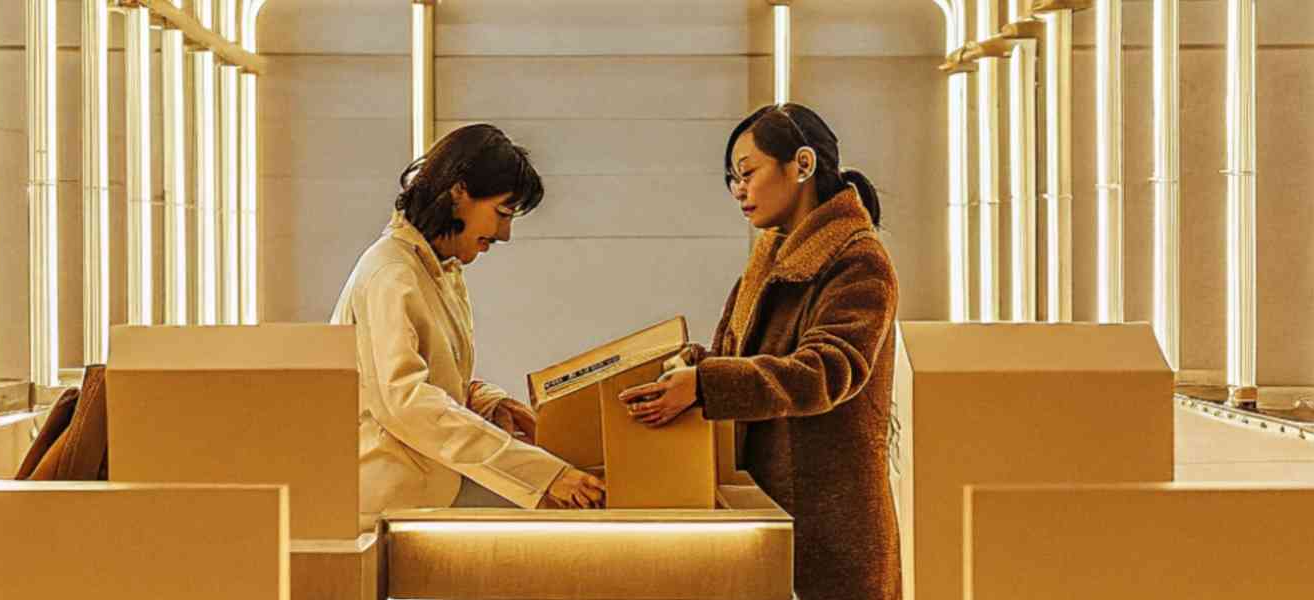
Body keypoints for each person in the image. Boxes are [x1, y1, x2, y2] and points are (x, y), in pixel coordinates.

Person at [619, 104, 901, 600]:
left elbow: (827, 371)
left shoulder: (857, 259)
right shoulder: (770, 258)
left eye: (747, 172)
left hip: (827, 518)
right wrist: (691, 364)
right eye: (732, 179)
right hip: (770, 507)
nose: (738, 190)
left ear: (803, 166)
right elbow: (740, 355)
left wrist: (706, 385)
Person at [332, 124, 606, 522]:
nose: (506, 234)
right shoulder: (390, 274)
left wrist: (488, 402)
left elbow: (431, 380)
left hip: (425, 486)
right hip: (387, 499)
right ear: (459, 192)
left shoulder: (438, 270)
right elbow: (406, 404)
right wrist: (545, 474)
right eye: (502, 212)